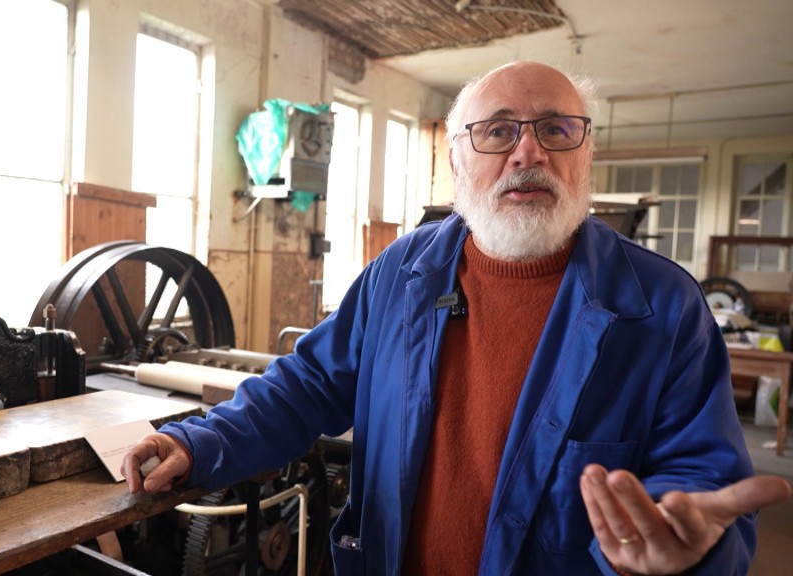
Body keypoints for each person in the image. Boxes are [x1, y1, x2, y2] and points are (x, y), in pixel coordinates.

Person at [123, 61, 792, 575]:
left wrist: (688, 550)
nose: (527, 153)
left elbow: (699, 483)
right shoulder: (404, 271)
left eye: (556, 129)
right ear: (456, 161)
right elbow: (311, 384)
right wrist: (199, 443)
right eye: (498, 130)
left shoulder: (662, 306)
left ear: (586, 154)